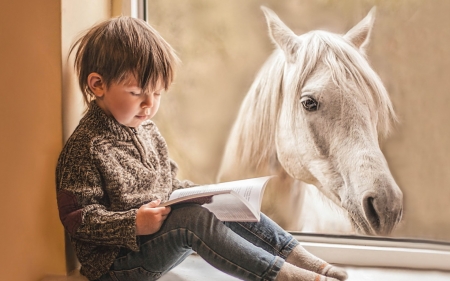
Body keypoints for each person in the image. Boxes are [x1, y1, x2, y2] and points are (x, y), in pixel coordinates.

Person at [56, 16, 348, 281]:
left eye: (156, 93)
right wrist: (132, 224)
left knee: (227, 203)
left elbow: (167, 184)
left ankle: (302, 259)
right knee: (192, 220)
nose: (149, 105)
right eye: (136, 93)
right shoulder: (86, 147)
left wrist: (206, 196)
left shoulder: (146, 130)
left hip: (158, 243)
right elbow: (77, 219)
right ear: (98, 85)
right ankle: (281, 275)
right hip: (117, 265)